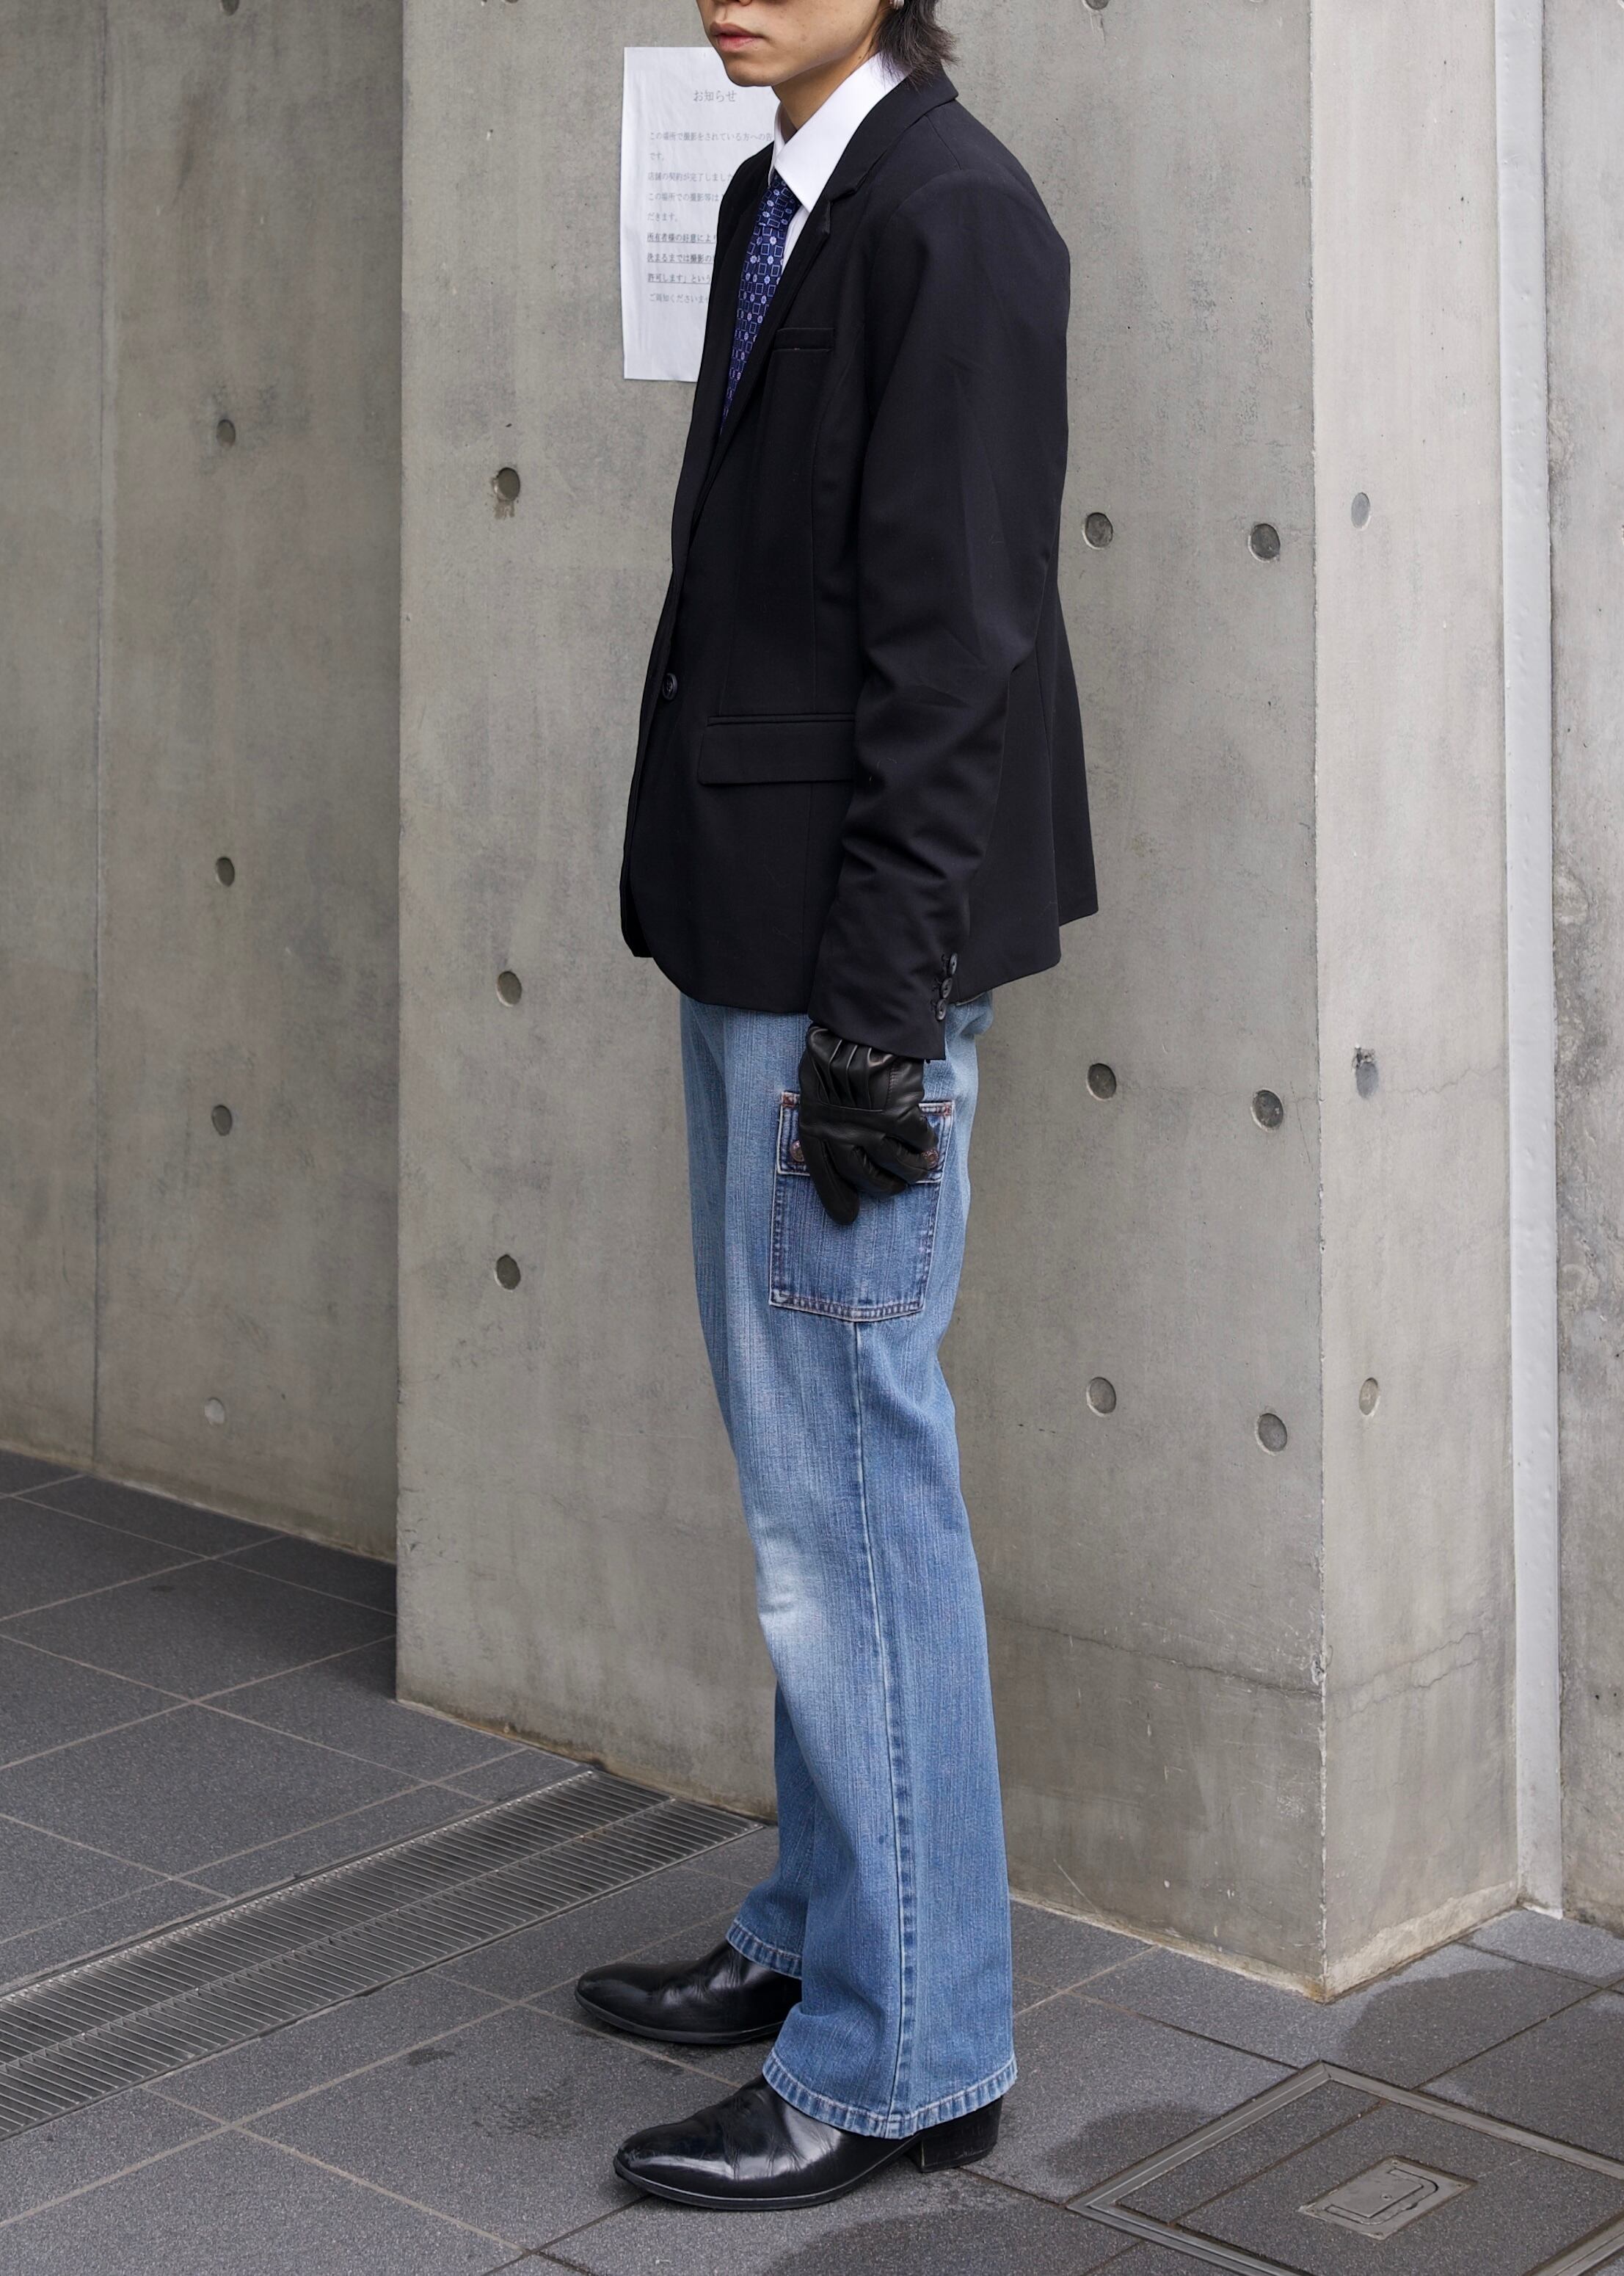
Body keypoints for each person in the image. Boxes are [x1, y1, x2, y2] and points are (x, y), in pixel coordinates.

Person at [578, 0, 1095, 2211]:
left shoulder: (955, 216)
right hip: (751, 928)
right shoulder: (781, 191)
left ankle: (911, 2055)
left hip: (845, 978)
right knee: (803, 1485)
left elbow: (961, 643)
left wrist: (879, 1025)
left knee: (854, 1503)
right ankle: (817, 1928)